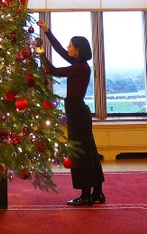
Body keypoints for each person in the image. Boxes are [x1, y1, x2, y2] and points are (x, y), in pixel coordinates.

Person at [37, 19, 105, 206]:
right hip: (78, 111)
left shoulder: (79, 67)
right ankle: (97, 192)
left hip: (77, 112)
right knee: (89, 151)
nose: (68, 47)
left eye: (71, 45)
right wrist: (47, 31)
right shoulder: (79, 64)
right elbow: (59, 50)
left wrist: (39, 54)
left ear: (78, 50)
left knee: (80, 153)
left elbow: (53, 70)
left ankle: (85, 195)